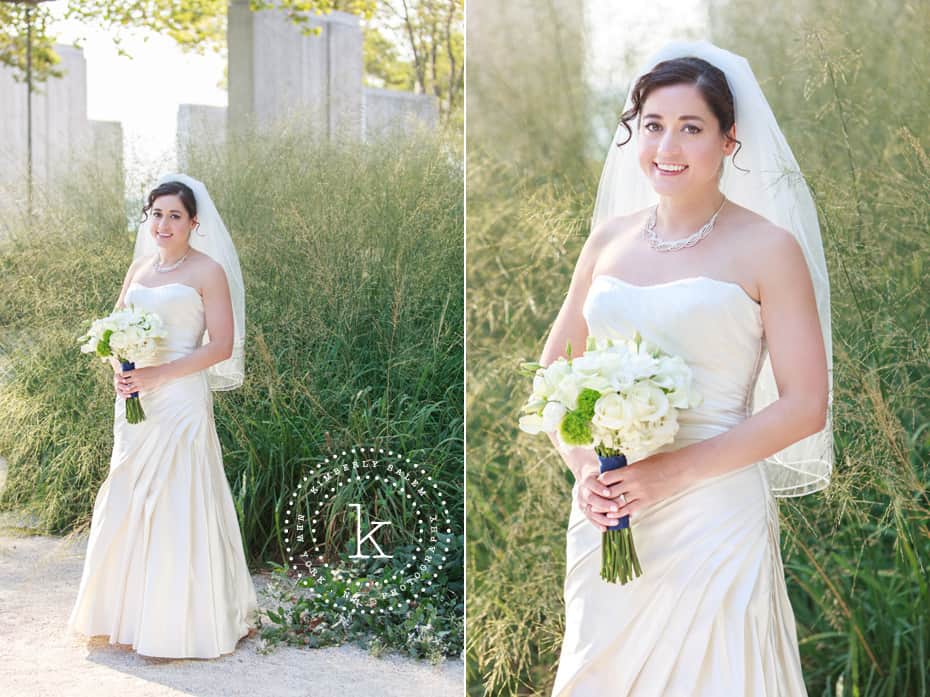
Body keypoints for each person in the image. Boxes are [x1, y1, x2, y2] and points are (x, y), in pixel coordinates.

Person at [547, 41, 833, 696]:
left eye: (691, 128)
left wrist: (670, 473)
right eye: (653, 125)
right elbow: (556, 371)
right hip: (610, 511)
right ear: (633, 132)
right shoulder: (609, 240)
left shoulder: (769, 247)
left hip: (715, 509)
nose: (667, 146)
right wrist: (589, 469)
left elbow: (804, 403)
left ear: (730, 141)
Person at [66, 174, 258, 659]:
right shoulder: (139, 270)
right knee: (129, 491)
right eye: (157, 214)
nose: (165, 223)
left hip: (180, 399)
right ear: (147, 219)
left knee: (176, 497)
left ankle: (178, 623)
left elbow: (221, 345)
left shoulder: (206, 272)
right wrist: (120, 369)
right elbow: (111, 330)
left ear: (195, 223)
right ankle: (123, 616)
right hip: (135, 400)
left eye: (175, 216)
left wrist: (161, 375)